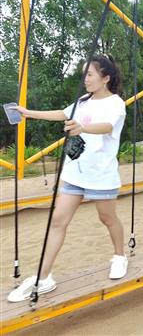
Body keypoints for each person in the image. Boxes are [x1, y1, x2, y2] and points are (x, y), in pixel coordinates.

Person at [8, 55, 127, 303]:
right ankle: (44, 277)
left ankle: (119, 256)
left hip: (101, 174)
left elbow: (107, 126)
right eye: (84, 74)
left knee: (107, 218)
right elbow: (61, 113)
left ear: (106, 78)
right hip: (75, 173)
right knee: (58, 221)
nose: (85, 79)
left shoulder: (116, 103)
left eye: (90, 74)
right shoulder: (82, 101)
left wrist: (83, 128)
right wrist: (28, 113)